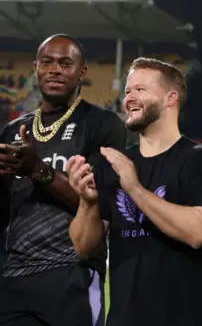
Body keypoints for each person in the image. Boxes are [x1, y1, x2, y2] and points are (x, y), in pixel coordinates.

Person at [67, 57, 202, 326]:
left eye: (140, 90)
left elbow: (197, 232)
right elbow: (84, 246)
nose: (129, 97)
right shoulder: (113, 165)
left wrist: (135, 188)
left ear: (170, 98)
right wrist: (87, 202)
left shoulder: (200, 159)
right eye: (128, 91)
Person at [0, 34, 127, 326]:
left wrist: (38, 170)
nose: (55, 69)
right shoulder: (13, 130)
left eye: (65, 63)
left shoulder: (103, 124)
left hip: (73, 273)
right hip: (14, 276)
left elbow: (101, 205)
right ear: (35, 68)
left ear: (81, 72)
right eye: (47, 62)